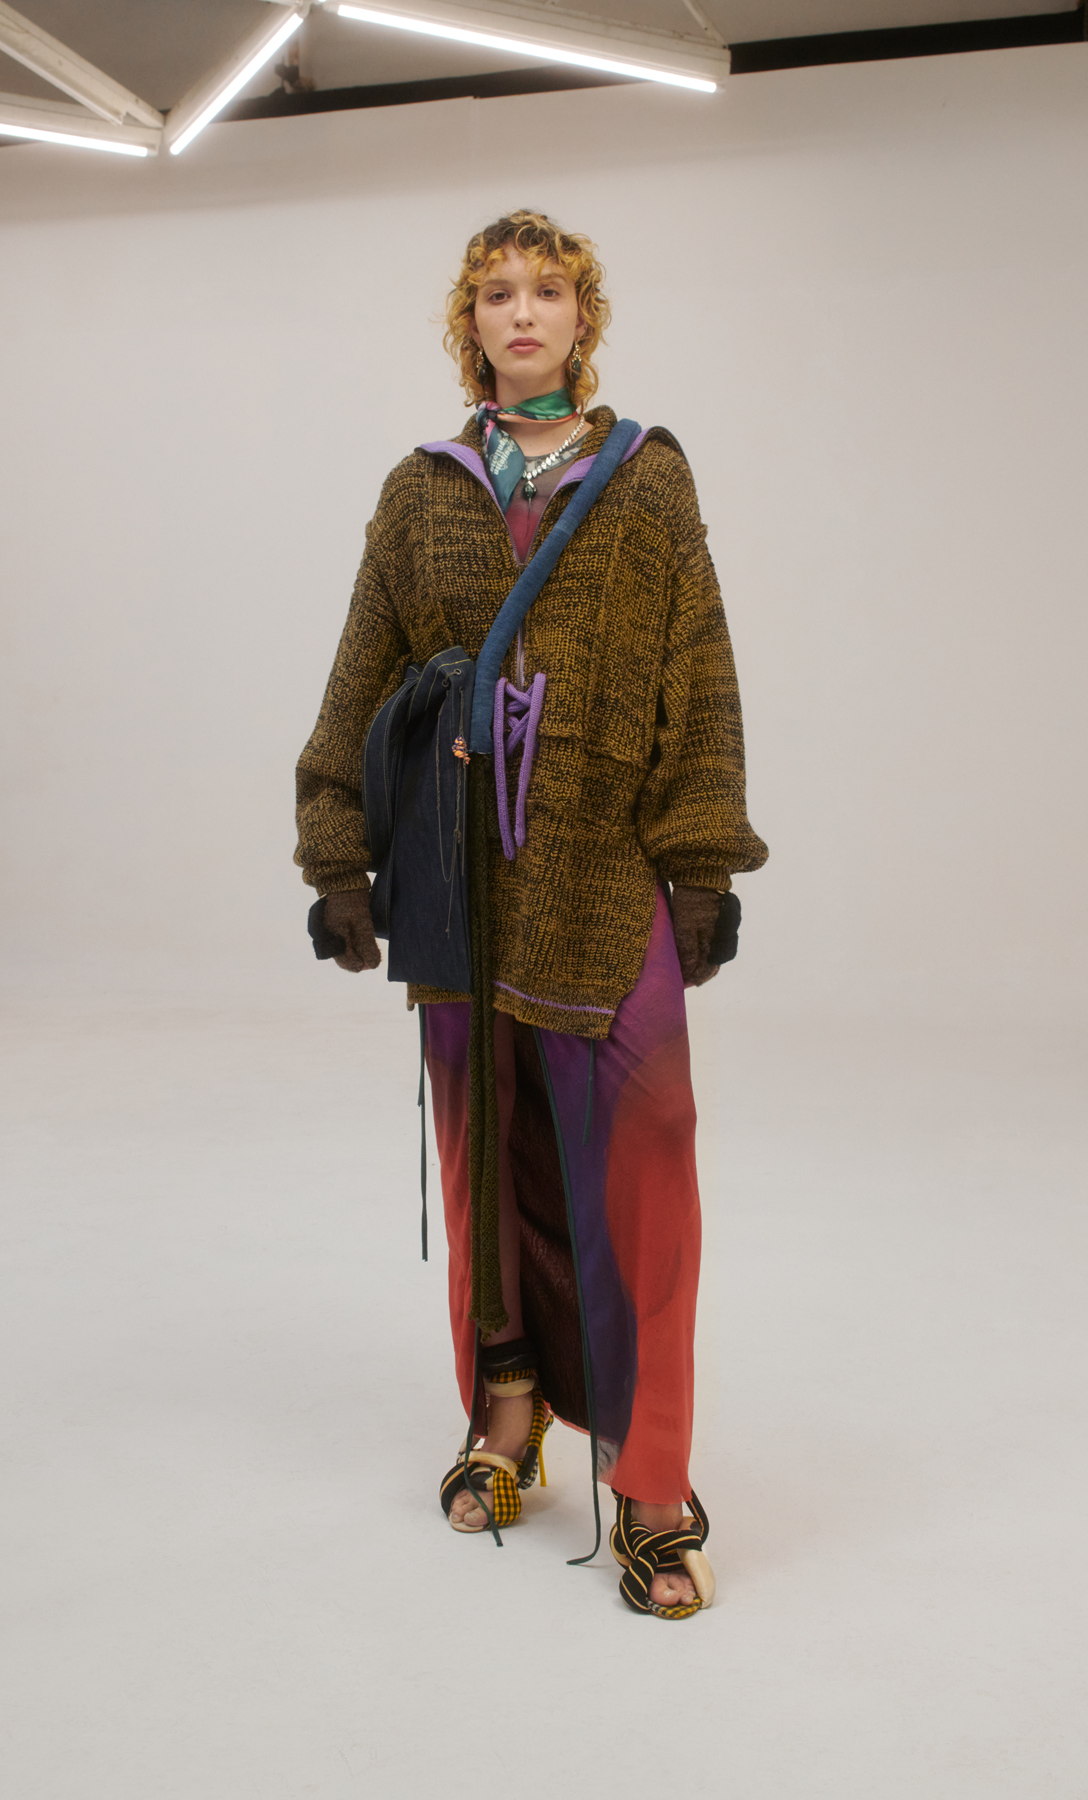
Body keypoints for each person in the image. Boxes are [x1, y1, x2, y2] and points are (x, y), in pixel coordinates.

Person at [294, 210, 767, 1619]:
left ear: (580, 316)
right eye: (496, 293)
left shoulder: (647, 480)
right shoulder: (421, 492)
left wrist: (702, 863)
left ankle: (653, 1482)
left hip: (601, 871)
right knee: (484, 1158)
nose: (521, 312)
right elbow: (360, 667)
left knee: (646, 1160)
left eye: (546, 290)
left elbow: (700, 670)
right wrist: (338, 856)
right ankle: (506, 1416)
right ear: (471, 322)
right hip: (459, 887)